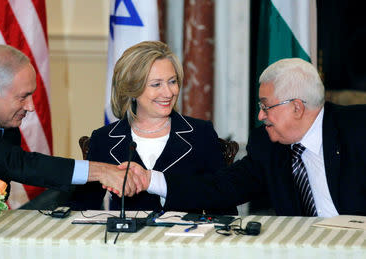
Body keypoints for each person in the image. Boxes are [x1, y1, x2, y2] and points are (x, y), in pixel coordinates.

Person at [0, 45, 144, 209]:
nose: (31, 107)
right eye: (23, 96)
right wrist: (100, 170)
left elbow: (5, 179)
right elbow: (16, 164)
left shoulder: (1, 119)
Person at [141, 58, 365, 216]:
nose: (260, 115)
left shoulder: (357, 129)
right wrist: (150, 180)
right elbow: (220, 188)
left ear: (297, 107)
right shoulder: (268, 145)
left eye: (266, 107)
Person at [72, 41, 235, 214]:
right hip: (125, 239)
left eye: (172, 81)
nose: (168, 92)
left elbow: (224, 206)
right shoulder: (105, 139)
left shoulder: (200, 133)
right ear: (133, 89)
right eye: (156, 84)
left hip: (187, 238)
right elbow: (81, 209)